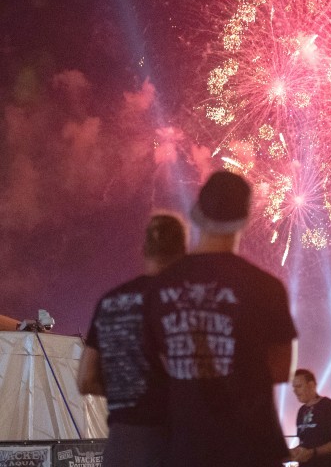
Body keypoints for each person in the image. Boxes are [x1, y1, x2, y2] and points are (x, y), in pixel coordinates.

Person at [144, 170, 298, 467]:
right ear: (245, 220)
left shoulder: (160, 287)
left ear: (196, 213)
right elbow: (280, 370)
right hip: (252, 449)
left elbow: (156, 367)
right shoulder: (266, 287)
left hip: (185, 449)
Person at [78, 212, 187, 467]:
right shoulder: (185, 302)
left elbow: (85, 380)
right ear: (183, 251)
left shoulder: (110, 302)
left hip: (120, 446)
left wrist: (124, 391)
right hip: (171, 443)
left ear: (143, 249)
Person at [290, 368, 331, 466]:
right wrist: (293, 452)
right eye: (294, 387)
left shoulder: (328, 406)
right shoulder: (301, 411)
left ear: (311, 385)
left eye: (299, 386)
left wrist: (313, 452)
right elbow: (305, 444)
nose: (295, 391)